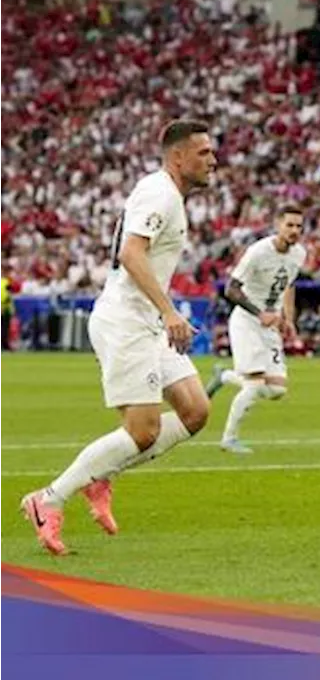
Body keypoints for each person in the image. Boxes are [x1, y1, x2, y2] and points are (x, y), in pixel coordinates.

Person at [20, 120, 217, 556]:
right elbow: (131, 254)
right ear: (178, 156)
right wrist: (169, 311)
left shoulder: (169, 196)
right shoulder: (160, 192)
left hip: (145, 322)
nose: (213, 159)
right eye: (203, 152)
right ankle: (47, 499)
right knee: (143, 431)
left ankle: (103, 474)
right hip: (127, 321)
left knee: (195, 410)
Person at [205, 206, 308, 454]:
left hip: (270, 323)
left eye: (299, 227)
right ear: (278, 225)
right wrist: (258, 312)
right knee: (254, 384)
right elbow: (231, 289)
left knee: (276, 389)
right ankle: (228, 439)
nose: (295, 231)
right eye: (290, 225)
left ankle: (224, 377)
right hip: (247, 321)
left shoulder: (299, 254)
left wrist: (288, 317)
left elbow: (290, 284)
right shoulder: (258, 252)